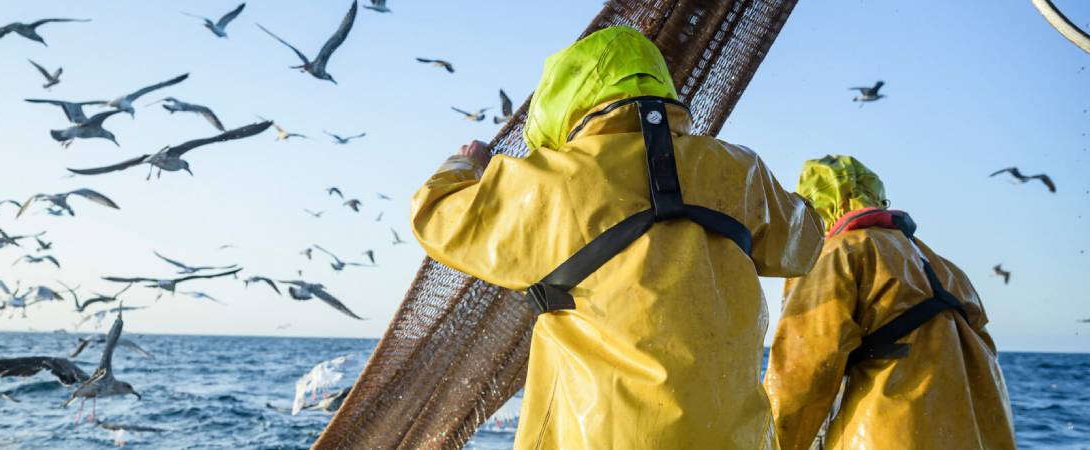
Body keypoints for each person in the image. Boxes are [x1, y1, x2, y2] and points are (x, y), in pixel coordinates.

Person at [410, 26, 824, 449]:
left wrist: (465, 166)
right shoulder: (740, 170)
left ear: (561, 101)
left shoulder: (553, 180)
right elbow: (807, 243)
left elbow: (434, 214)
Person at [765, 155, 1016, 450]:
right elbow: (987, 368)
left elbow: (800, 376)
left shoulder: (839, 254)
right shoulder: (950, 272)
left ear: (817, 208)